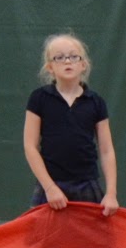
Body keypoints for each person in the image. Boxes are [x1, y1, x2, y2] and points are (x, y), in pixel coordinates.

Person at [23, 33, 118, 215]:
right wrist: (50, 188)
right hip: (51, 188)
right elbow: (30, 146)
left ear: (83, 64)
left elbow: (107, 151)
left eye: (74, 56)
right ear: (49, 67)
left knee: (89, 243)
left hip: (87, 185)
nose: (67, 61)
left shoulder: (96, 102)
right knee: (46, 242)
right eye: (59, 57)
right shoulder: (39, 99)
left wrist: (111, 193)